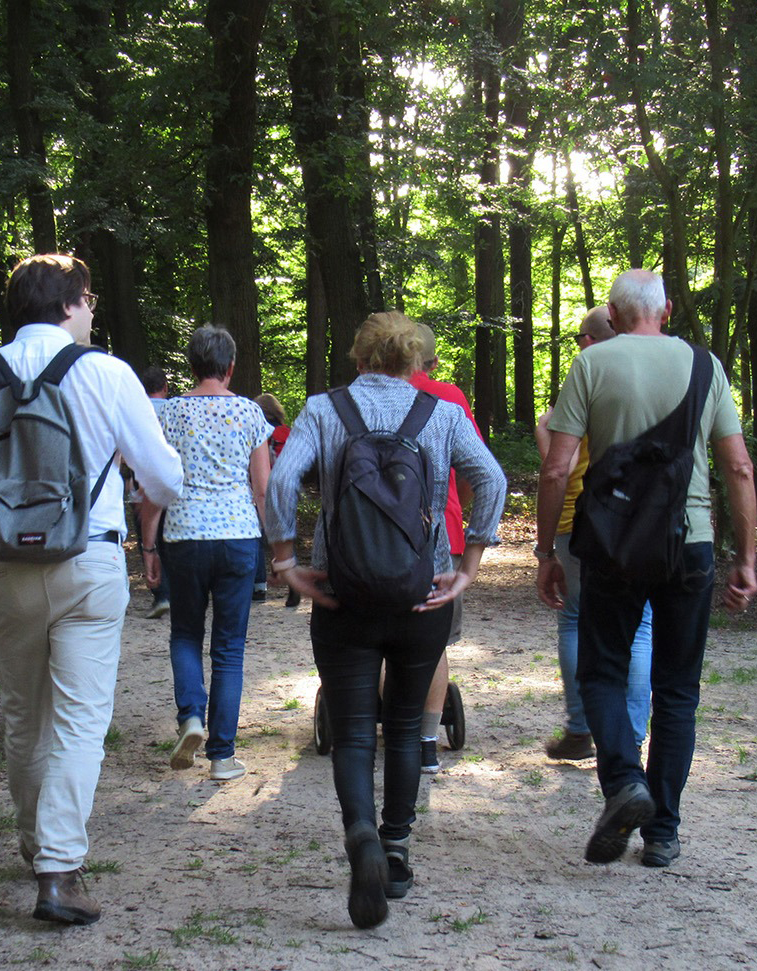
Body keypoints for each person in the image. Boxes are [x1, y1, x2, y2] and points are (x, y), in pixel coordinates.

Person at [0, 253, 183, 926]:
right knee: (79, 721)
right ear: (69, 304)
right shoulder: (106, 373)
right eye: (88, 299)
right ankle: (59, 870)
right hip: (89, 563)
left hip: (6, 567)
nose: (93, 310)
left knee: (24, 715)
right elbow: (166, 480)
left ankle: (37, 841)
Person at [266, 313, 506, 929]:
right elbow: (492, 478)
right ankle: (397, 849)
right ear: (415, 360)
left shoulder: (323, 409)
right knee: (403, 728)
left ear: (359, 354)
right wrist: (469, 562)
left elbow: (283, 480)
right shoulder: (443, 414)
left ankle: (361, 838)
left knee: (352, 734)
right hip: (422, 593)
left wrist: (288, 560)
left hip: (342, 594)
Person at [536, 269, 757, 870]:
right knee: (677, 691)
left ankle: (624, 784)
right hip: (689, 544)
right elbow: (738, 469)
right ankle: (663, 832)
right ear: (665, 309)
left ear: (613, 311)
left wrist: (546, 552)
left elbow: (557, 470)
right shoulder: (707, 367)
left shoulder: (591, 364)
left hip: (612, 543)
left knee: (602, 674)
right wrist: (747, 556)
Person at [140, 326, 271, 783]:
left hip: (184, 535)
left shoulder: (168, 414)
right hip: (237, 537)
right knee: (230, 650)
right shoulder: (250, 413)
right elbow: (262, 488)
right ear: (230, 367)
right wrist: (273, 544)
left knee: (185, 635)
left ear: (191, 366)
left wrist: (149, 544)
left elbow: (154, 487)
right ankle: (222, 757)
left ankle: (191, 717)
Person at [533, 307, 653, 762]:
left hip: (578, 517)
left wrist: (543, 550)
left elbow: (555, 464)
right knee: (640, 624)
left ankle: (581, 729)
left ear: (587, 341)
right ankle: (633, 737)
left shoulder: (584, 376)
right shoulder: (645, 375)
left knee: (574, 617)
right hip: (640, 520)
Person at [405, 319, 482, 775]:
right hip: (443, 535)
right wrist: (458, 508)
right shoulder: (449, 397)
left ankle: (391, 725)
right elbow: (478, 472)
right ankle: (427, 742)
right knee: (434, 643)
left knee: (380, 631)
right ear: (432, 362)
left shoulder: (358, 395)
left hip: (374, 542)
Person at [252, 393, 297, 607]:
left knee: (259, 537)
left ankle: (259, 587)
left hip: (263, 486)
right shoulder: (287, 431)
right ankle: (293, 583)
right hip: (286, 488)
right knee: (284, 535)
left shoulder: (260, 432)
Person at [137, 366, 171, 620]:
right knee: (171, 539)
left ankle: (161, 594)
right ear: (165, 387)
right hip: (174, 485)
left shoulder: (138, 412)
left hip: (145, 485)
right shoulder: (175, 410)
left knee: (150, 538)